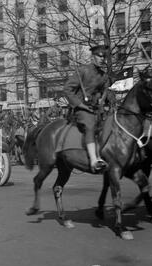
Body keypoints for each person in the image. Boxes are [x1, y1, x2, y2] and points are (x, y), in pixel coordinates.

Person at [64, 44, 110, 172]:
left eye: (104, 57)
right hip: (82, 109)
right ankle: (94, 160)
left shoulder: (104, 76)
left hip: (96, 108)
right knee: (90, 125)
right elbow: (68, 89)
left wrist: (103, 99)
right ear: (93, 57)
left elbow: (105, 91)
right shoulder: (83, 71)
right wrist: (79, 104)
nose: (102, 59)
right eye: (99, 56)